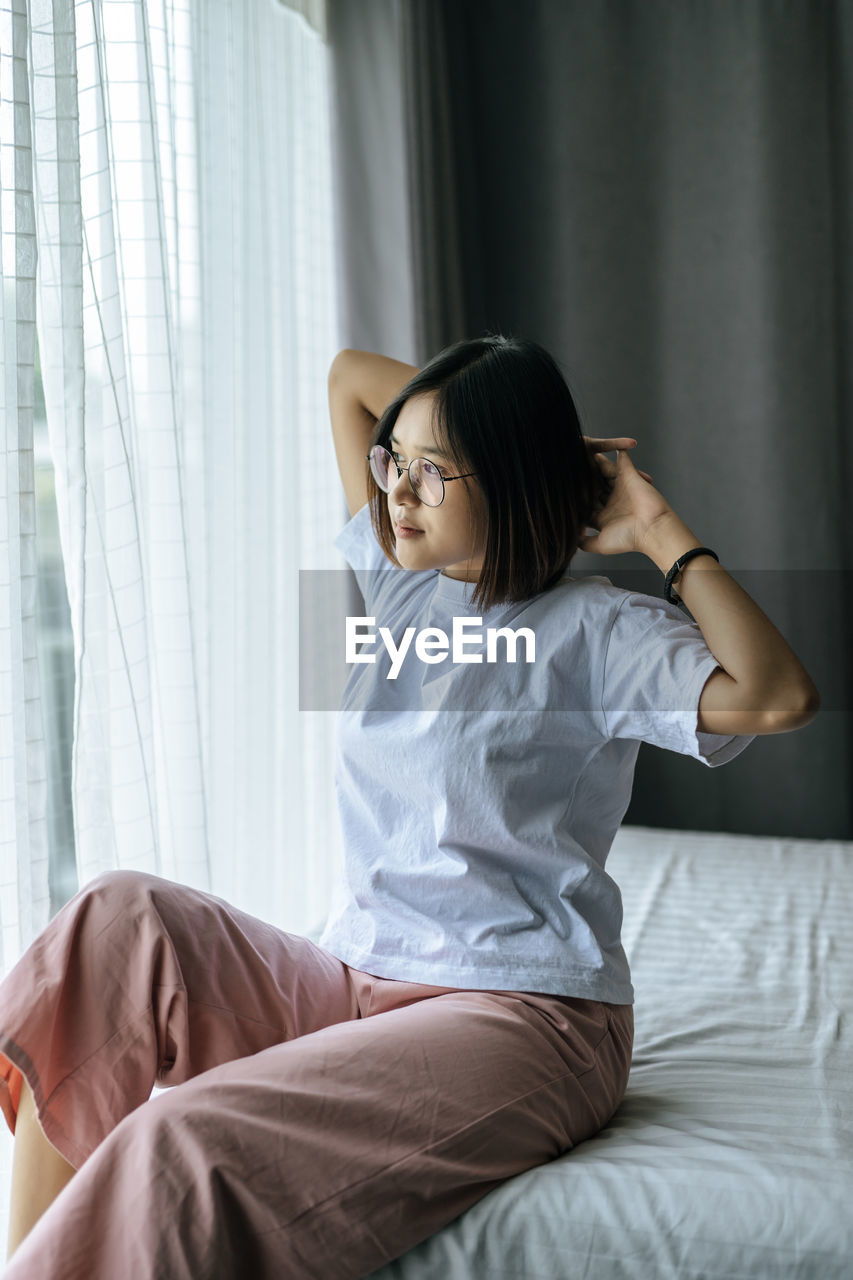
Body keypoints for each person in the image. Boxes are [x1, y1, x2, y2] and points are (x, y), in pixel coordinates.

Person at [0, 335, 819, 1278]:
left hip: (522, 1015)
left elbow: (777, 696)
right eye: (398, 462)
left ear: (505, 482)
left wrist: (656, 525)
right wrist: (513, 444)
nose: (397, 490)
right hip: (358, 981)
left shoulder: (598, 631)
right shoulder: (401, 587)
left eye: (433, 474)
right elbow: (349, 375)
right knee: (114, 921)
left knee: (179, 1141)